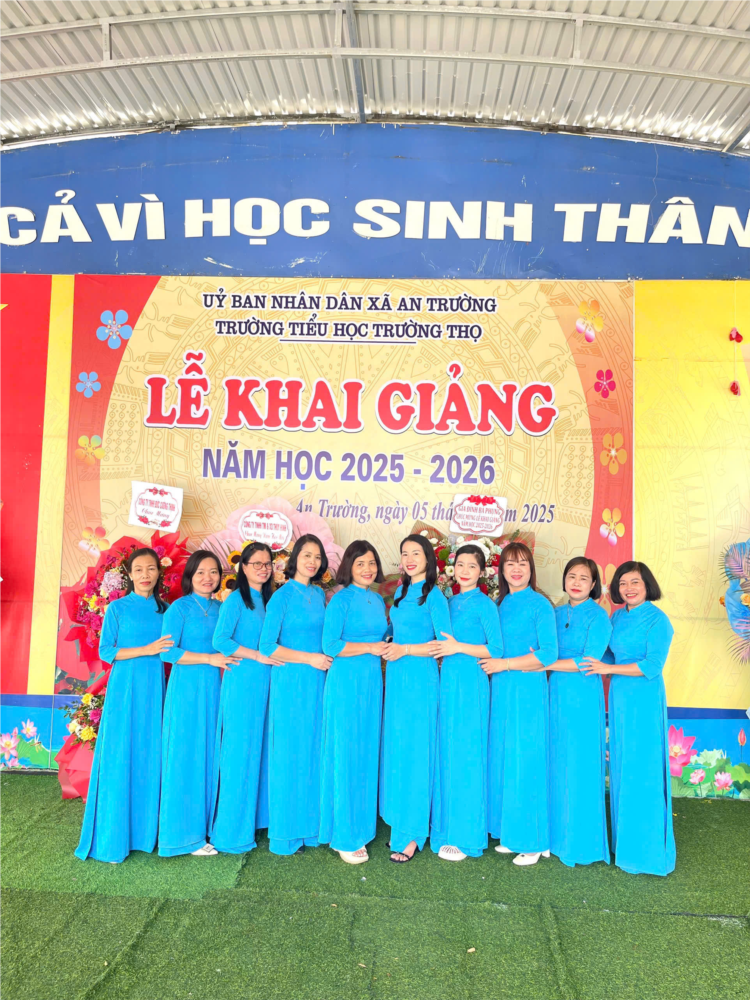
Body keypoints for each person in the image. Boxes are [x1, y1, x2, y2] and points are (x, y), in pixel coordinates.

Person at [75, 548, 172, 863]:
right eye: (138, 569)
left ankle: (145, 834)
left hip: (155, 688)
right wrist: (147, 649)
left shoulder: (166, 610)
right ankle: (114, 835)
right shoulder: (117, 608)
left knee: (149, 752)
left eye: (151, 568)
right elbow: (106, 651)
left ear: (159, 573)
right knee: (121, 753)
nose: (145, 575)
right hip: (125, 688)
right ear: (129, 574)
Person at [582, 561, 675, 876]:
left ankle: (646, 853)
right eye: (622, 583)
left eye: (635, 582)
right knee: (623, 766)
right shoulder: (617, 616)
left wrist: (608, 669)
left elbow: (652, 665)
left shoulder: (659, 621)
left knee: (642, 768)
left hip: (645, 699)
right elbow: (608, 653)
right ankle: (624, 843)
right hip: (620, 697)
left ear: (647, 584)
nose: (628, 588)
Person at [479, 542, 558, 866]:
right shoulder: (499, 604)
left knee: (526, 761)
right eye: (510, 563)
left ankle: (534, 841)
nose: (516, 569)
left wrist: (506, 664)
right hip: (500, 691)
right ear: (501, 569)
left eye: (523, 563)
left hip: (527, 691)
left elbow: (548, 654)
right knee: (504, 759)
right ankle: (511, 834)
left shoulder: (540, 605)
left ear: (531, 569)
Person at [158, 550, 238, 857]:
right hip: (187, 691)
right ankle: (182, 836)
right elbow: (167, 652)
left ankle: (208, 827)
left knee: (211, 756)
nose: (208, 578)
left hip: (218, 689)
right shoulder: (179, 608)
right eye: (201, 572)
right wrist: (208, 658)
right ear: (190, 576)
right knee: (186, 756)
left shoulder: (222, 608)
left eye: (213, 572)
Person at [259, 534, 332, 855]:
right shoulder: (281, 597)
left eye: (317, 556)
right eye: (306, 555)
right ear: (294, 559)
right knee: (290, 753)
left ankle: (312, 828)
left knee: (314, 750)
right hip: (291, 682)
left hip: (319, 681)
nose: (312, 562)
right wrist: (309, 658)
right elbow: (267, 646)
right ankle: (286, 834)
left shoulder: (319, 594)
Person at [380, 533, 451, 863]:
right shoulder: (400, 592)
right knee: (399, 748)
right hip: (397, 678)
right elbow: (399, 630)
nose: (409, 559)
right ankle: (399, 824)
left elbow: (443, 644)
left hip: (421, 680)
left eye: (416, 553)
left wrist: (405, 649)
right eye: (404, 554)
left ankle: (412, 834)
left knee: (416, 752)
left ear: (428, 559)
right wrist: (391, 639)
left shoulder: (434, 596)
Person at [431, 544, 504, 861]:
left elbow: (496, 649)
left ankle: (468, 836)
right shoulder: (447, 603)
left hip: (472, 684)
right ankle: (446, 828)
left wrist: (458, 647)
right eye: (459, 564)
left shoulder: (485, 605)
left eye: (472, 566)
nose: (464, 571)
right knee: (447, 753)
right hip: (447, 683)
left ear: (482, 572)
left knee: (468, 755)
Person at [319, 540, 389, 864]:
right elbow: (331, 645)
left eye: (372, 562)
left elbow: (382, 635)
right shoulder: (340, 600)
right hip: (346, 682)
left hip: (371, 683)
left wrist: (387, 641)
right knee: (346, 752)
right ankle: (344, 835)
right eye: (360, 563)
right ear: (349, 566)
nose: (368, 569)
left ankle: (362, 826)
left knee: (365, 750)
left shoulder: (377, 600)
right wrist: (370, 648)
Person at [210, 542, 281, 855]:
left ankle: (259, 821)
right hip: (243, 682)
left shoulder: (271, 600)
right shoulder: (236, 600)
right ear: (243, 567)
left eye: (267, 564)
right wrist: (256, 655)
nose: (263, 569)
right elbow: (220, 640)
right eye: (256, 564)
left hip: (270, 682)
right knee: (240, 753)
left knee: (264, 750)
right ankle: (231, 831)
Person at [547, 557, 612, 867]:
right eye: (571, 576)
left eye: (584, 578)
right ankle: (551, 836)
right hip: (553, 692)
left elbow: (589, 661)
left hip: (583, 695)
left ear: (593, 584)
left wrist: (544, 663)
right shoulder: (554, 613)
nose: (576, 582)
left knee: (579, 762)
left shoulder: (599, 617)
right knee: (555, 759)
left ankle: (579, 841)